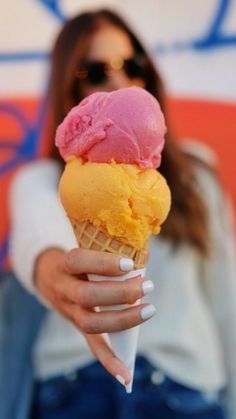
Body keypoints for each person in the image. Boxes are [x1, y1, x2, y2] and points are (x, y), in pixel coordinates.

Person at [4, 8, 236, 419]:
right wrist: (53, 272)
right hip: (72, 391)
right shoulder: (41, 180)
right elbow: (36, 242)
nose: (117, 80)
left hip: (185, 391)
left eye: (132, 64)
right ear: (67, 91)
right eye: (93, 71)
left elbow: (226, 298)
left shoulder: (196, 171)